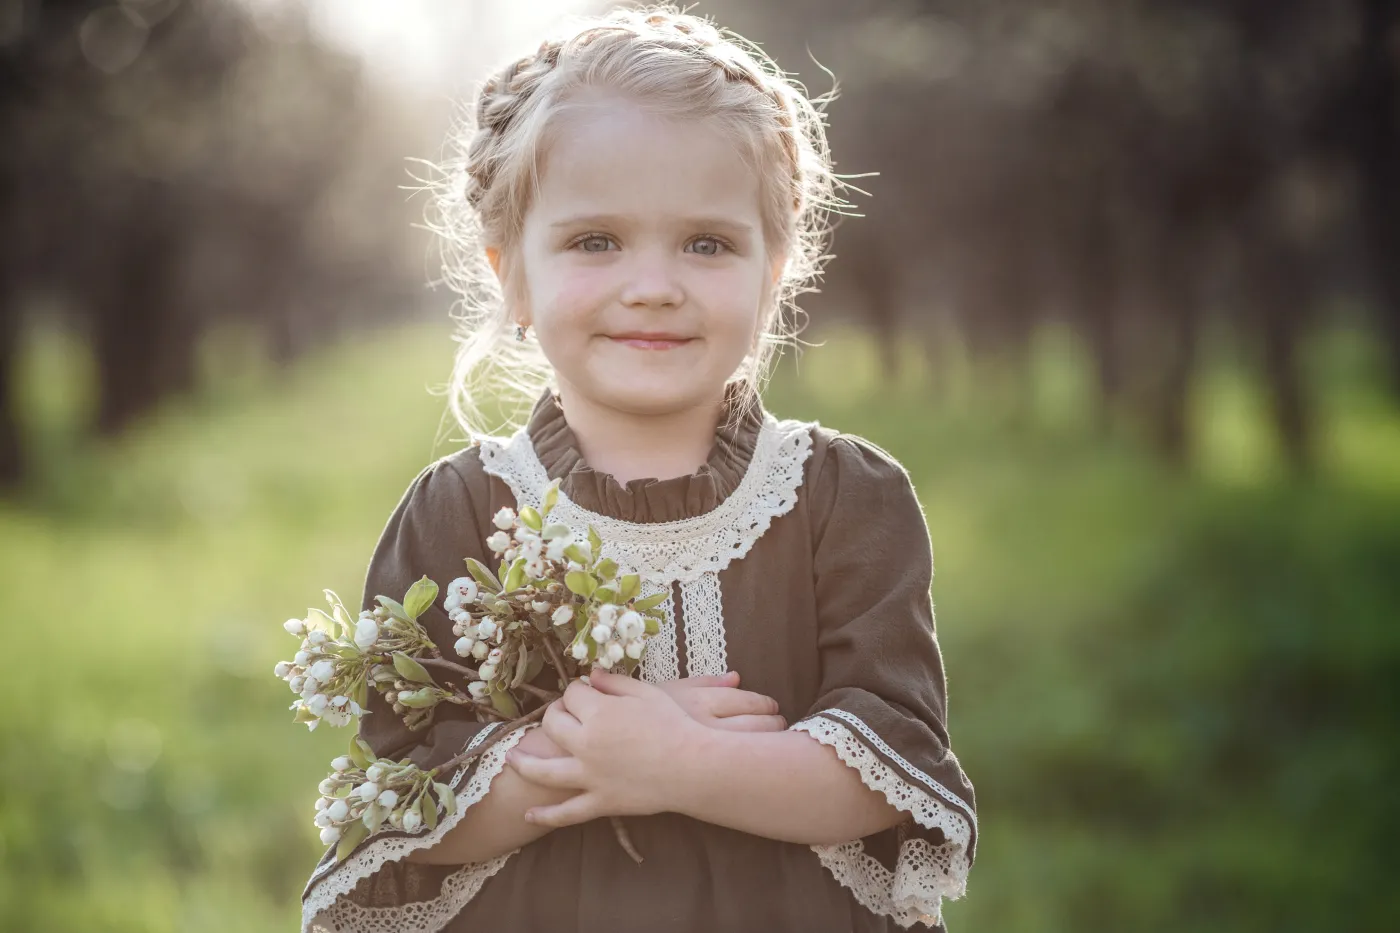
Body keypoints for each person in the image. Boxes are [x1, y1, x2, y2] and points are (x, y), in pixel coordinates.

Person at [300, 7, 976, 931]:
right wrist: (597, 754)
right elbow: (401, 811)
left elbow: (889, 776)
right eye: (594, 241)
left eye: (707, 243)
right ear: (514, 276)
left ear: (774, 267)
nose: (654, 283)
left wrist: (683, 765)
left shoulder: (844, 498)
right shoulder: (460, 509)